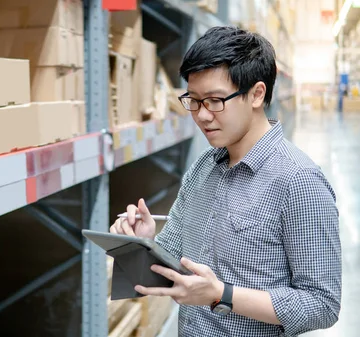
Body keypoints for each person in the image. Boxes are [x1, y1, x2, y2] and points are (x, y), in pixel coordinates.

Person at [110, 26, 341, 336]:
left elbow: (322, 305)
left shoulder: (299, 183)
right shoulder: (203, 167)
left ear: (257, 94)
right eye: (193, 100)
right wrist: (143, 244)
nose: (203, 116)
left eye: (215, 101)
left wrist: (222, 294)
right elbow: (167, 276)